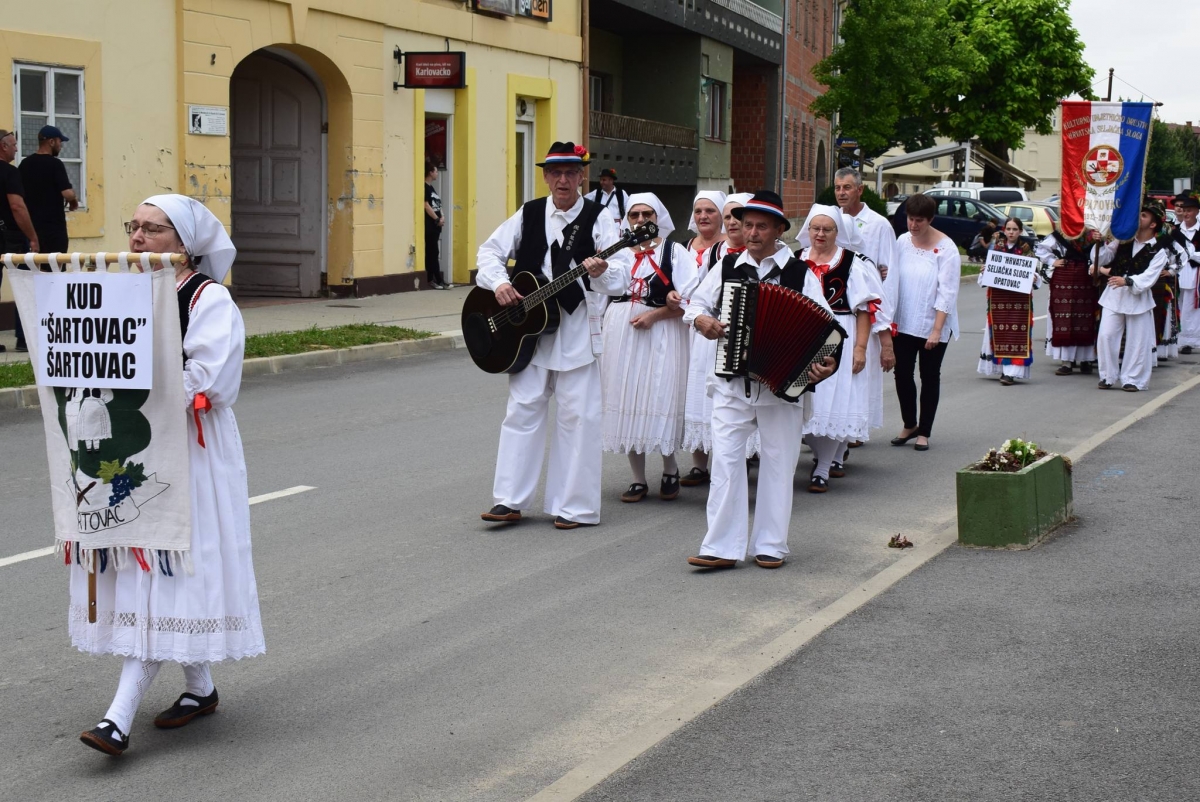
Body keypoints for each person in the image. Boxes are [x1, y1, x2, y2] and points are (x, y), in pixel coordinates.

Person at [77, 194, 264, 756]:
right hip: (132, 448)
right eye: (133, 226)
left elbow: (211, 378)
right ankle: (200, 688)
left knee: (170, 569)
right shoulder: (128, 292)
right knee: (153, 567)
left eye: (152, 229)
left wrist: (136, 393)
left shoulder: (208, 298)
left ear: (184, 244)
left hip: (188, 449)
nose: (137, 237)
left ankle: (117, 718)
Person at [476, 142, 632, 529]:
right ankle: (509, 500)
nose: (563, 180)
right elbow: (489, 252)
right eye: (556, 173)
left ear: (582, 177)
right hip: (527, 332)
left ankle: (573, 506)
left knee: (578, 418)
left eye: (571, 173)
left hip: (576, 329)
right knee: (522, 411)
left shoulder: (599, 218)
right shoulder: (529, 213)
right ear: (546, 176)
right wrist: (499, 283)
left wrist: (602, 273)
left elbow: (623, 275)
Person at [682, 191, 837, 570]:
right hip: (732, 382)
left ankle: (771, 544)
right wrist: (701, 320)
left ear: (779, 230)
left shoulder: (799, 273)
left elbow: (828, 330)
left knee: (779, 463)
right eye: (747, 224)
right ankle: (721, 546)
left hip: (781, 386)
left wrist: (825, 364)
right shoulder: (727, 266)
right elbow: (696, 303)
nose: (751, 232)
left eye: (761, 226)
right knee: (725, 462)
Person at [601, 194, 695, 502]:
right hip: (621, 331)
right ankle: (638, 478)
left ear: (658, 218)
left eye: (647, 214)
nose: (641, 220)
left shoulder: (675, 251)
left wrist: (656, 314)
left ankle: (670, 468)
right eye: (634, 215)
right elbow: (600, 292)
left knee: (660, 394)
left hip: (661, 331)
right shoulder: (618, 253)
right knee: (626, 394)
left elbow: (691, 298)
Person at [797, 204, 884, 493]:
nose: (820, 234)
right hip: (803, 337)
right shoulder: (796, 260)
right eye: (815, 228)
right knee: (806, 403)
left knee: (835, 403)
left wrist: (860, 348)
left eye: (827, 229)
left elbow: (864, 310)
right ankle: (824, 454)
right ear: (808, 230)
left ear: (838, 232)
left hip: (841, 336)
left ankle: (823, 467)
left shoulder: (851, 263)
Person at [674, 192, 751, 485]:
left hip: (745, 338)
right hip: (711, 333)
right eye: (728, 216)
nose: (733, 222)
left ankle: (739, 461)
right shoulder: (715, 254)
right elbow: (697, 294)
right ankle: (702, 463)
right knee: (704, 397)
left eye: (738, 216)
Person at [832, 167, 897, 448]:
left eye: (847, 187)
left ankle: (855, 427)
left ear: (860, 190)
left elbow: (889, 275)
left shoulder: (878, 224)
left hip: (866, 309)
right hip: (834, 306)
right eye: (837, 188)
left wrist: (885, 327)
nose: (841, 193)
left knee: (861, 369)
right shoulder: (830, 220)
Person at [890, 192, 959, 452]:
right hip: (904, 320)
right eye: (910, 219)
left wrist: (937, 330)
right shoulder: (902, 242)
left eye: (919, 220)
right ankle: (909, 424)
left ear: (930, 220)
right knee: (902, 374)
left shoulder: (947, 249)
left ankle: (924, 432)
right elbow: (893, 275)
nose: (913, 225)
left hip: (933, 323)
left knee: (929, 376)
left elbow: (947, 292)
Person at [1093, 200, 1169, 392]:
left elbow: (1149, 277)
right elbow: (1103, 258)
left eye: (1144, 215)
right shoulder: (1122, 240)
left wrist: (1127, 281)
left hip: (1138, 298)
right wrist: (1100, 242)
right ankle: (1108, 376)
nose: (1138, 217)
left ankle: (1133, 379)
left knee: (1138, 340)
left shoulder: (1158, 251)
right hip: (1114, 295)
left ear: (1153, 224)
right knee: (1106, 335)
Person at [978, 217, 1040, 386]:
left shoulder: (1026, 249)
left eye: (1015, 229)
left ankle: (1011, 372)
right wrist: (985, 270)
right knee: (998, 331)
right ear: (1004, 230)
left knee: (1015, 334)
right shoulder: (997, 247)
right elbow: (990, 269)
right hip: (998, 299)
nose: (1011, 232)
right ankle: (1000, 368)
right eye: (1009, 229)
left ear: (1020, 231)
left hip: (1019, 302)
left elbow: (1034, 271)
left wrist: (1034, 277)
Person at [1035, 225, 1102, 375]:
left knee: (1085, 318)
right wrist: (1053, 261)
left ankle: (1086, 360)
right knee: (1064, 319)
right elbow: (1040, 248)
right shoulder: (1061, 233)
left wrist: (1096, 264)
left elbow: (1103, 254)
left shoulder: (1093, 233)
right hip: (1064, 277)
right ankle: (1066, 361)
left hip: (1085, 278)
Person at [0, 128, 39, 353]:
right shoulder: (9, 172)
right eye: (13, 144)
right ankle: (24, 339)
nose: (16, 148)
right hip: (9, 236)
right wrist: (32, 237)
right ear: (3, 146)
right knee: (23, 282)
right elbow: (17, 206)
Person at [18, 124, 78, 255]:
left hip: (31, 230)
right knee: (55, 266)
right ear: (51, 142)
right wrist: (73, 199)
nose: (61, 146)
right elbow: (67, 194)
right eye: (59, 142)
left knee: (34, 266)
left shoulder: (25, 164)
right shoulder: (55, 164)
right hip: (53, 230)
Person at [1170, 193, 1200, 353]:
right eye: (1184, 210)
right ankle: (1176, 339)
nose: (1186, 213)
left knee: (1191, 308)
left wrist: (1190, 254)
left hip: (1194, 274)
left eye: (1189, 210)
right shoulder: (1175, 230)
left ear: (1196, 212)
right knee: (1177, 306)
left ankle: (1188, 341)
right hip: (1177, 273)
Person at [424, 159, 449, 289]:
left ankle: (437, 280)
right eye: (436, 171)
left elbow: (438, 205)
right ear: (430, 172)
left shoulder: (432, 187)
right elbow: (426, 205)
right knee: (432, 253)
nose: (437, 173)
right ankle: (435, 280)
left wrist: (442, 216)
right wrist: (436, 219)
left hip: (436, 227)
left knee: (434, 252)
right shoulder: (424, 187)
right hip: (430, 226)